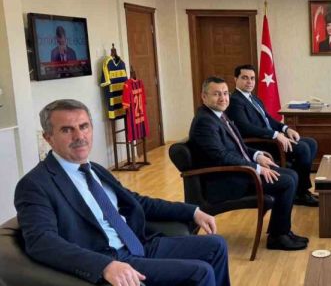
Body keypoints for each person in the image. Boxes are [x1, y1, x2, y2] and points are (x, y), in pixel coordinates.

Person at [14, 99, 230, 286]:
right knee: (200, 272)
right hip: (111, 257)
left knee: (216, 245)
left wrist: (192, 212)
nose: (79, 136)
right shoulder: (35, 184)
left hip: (139, 244)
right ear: (48, 137)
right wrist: (104, 265)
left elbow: (137, 201)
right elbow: (41, 241)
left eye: (84, 126)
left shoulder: (95, 169)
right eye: (67, 130)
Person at [189, 77, 308, 251]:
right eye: (216, 94)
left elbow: (238, 146)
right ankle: (278, 237)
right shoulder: (205, 122)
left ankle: (282, 232)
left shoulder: (218, 115)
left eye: (225, 93)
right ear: (204, 96)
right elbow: (222, 157)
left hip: (238, 171)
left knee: (291, 175)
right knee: (287, 181)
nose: (223, 98)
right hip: (226, 180)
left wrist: (257, 155)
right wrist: (257, 169)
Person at [226, 65, 319, 207]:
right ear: (235, 79)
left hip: (269, 138)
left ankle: (300, 190)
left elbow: (268, 119)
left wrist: (285, 128)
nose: (249, 82)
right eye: (244, 78)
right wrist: (275, 135)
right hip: (259, 143)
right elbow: (245, 128)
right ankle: (301, 193)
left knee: (311, 143)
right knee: (302, 148)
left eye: (252, 78)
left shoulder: (253, 98)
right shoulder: (235, 100)